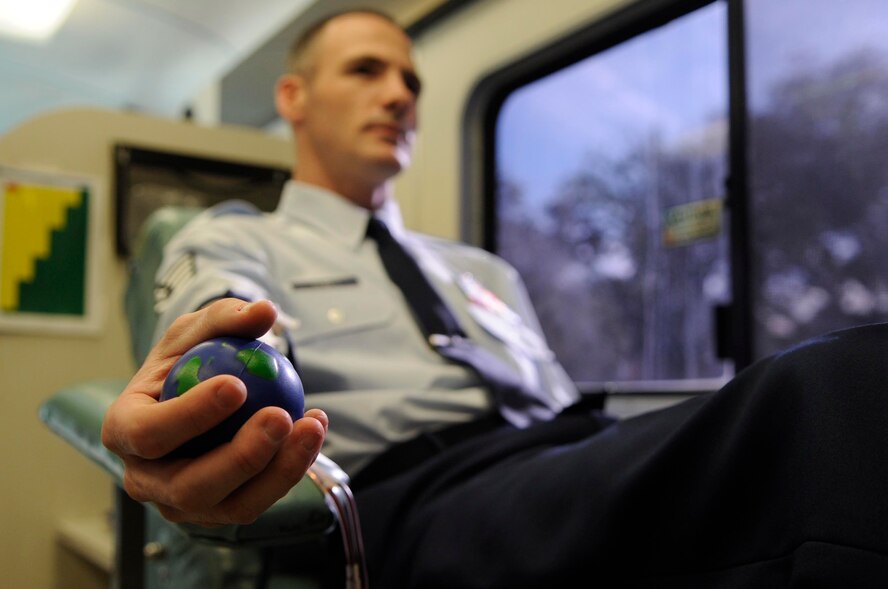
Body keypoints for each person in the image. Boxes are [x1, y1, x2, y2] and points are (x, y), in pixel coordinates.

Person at [102, 8, 888, 588]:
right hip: (417, 498)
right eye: (366, 71)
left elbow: (557, 401)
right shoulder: (237, 240)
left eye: (411, 79)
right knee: (828, 392)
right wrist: (199, 404)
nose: (401, 94)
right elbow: (223, 334)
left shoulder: (480, 270)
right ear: (295, 97)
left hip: (562, 457)